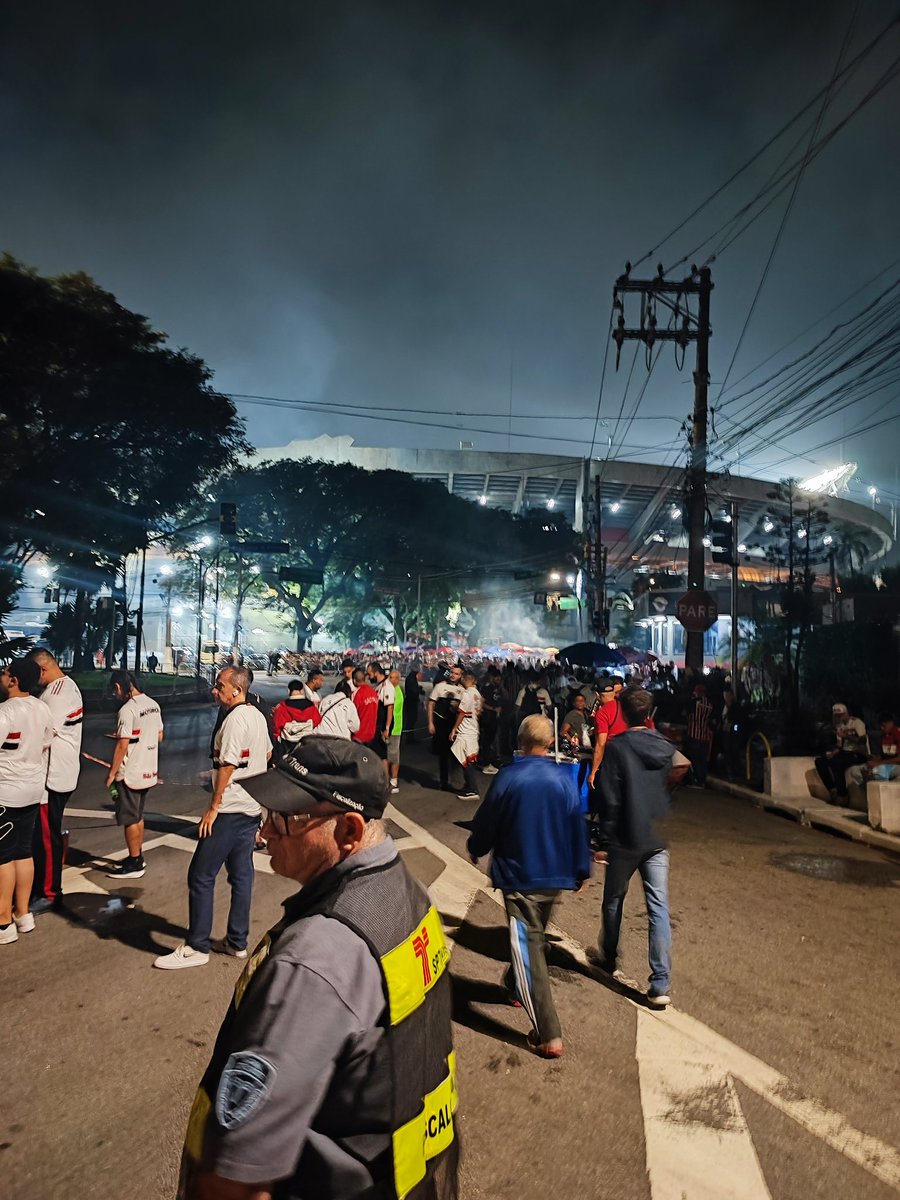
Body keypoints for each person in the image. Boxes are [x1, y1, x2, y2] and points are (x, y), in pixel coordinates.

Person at [177, 737, 458, 1200]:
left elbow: (239, 1180)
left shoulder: (315, 958)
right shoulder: (409, 895)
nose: (264, 833)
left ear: (349, 831)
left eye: (284, 820)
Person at [467, 715, 591, 1058]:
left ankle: (548, 1032)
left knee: (528, 945)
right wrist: (581, 868)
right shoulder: (563, 779)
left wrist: (477, 848)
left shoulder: (510, 777)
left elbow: (488, 821)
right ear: (550, 742)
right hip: (555, 875)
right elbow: (576, 825)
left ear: (520, 741)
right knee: (532, 938)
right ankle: (513, 984)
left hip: (520, 874)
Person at [155, 665, 272, 969]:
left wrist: (212, 807)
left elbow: (230, 764)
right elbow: (267, 755)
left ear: (237, 689)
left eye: (220, 685)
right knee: (242, 875)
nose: (215, 689)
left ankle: (197, 946)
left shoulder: (234, 719)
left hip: (230, 810)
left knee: (201, 876)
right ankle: (237, 941)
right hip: (250, 808)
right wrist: (219, 773)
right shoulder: (257, 716)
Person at [594, 687, 686, 1008]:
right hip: (657, 834)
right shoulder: (665, 745)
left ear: (622, 710)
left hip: (626, 836)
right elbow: (679, 769)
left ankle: (608, 956)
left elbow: (609, 798)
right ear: (649, 714)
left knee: (614, 899)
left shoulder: (618, 748)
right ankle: (660, 982)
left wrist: (604, 840)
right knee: (658, 906)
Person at [0, 658, 52, 945]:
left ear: (14, 680)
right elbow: (46, 742)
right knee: (23, 852)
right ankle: (23, 914)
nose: (2, 676)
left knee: (3, 856)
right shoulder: (42, 709)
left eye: (5, 672)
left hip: (5, 792)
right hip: (33, 790)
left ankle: (3, 922)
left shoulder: (5, 712)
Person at [27, 649, 83, 913]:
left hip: (53, 777)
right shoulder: (63, 687)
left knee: (47, 837)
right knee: (43, 835)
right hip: (57, 773)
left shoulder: (57, 696)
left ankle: (50, 892)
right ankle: (43, 886)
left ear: (42, 670)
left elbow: (41, 734)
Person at [105, 671, 164, 880]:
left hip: (129, 772)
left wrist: (112, 773)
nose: (116, 694)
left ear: (120, 687)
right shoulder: (153, 704)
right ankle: (137, 855)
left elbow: (122, 744)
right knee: (138, 816)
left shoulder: (127, 710)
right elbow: (159, 735)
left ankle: (135, 863)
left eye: (115, 690)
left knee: (130, 819)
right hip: (148, 770)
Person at [815, 702, 869, 804]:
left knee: (837, 763)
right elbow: (840, 746)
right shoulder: (839, 726)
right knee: (820, 761)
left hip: (858, 753)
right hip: (845, 752)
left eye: (841, 715)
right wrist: (832, 753)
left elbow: (862, 741)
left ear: (846, 713)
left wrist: (846, 736)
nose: (840, 718)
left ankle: (842, 794)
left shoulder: (856, 723)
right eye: (837, 716)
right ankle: (832, 789)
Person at [846, 711, 898, 811]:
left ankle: (883, 806)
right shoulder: (884, 736)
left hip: (895, 765)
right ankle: (869, 795)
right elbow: (884, 755)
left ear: (890, 723)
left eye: (884, 726)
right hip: (886, 763)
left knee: (879, 771)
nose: (882, 729)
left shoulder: (898, 734)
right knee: (855, 770)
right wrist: (874, 760)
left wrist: (879, 763)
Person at [428, 663, 463, 791]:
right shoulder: (440, 686)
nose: (454, 676)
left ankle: (456, 780)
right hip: (441, 724)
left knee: (455, 754)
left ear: (461, 675)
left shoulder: (463, 690)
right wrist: (430, 722)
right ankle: (444, 781)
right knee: (442, 754)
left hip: (455, 725)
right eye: (452, 673)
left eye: (457, 674)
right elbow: (431, 704)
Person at [450, 669, 482, 800]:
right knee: (466, 757)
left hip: (466, 730)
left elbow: (462, 712)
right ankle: (468, 785)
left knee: (466, 758)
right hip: (473, 727)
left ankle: (473, 789)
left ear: (465, 679)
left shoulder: (467, 694)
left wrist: (454, 728)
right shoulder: (477, 693)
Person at [272, 679, 321, 755]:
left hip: (288, 744)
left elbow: (276, 726)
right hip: (307, 742)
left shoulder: (282, 707)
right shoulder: (312, 706)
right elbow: (317, 722)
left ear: (288, 691)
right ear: (302, 691)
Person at [683, 683, 714, 788]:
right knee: (702, 759)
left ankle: (697, 780)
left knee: (695, 759)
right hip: (704, 735)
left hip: (694, 734)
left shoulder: (694, 703)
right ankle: (703, 780)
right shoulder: (709, 704)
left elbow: (686, 715)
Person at [367, 661, 395, 776]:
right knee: (377, 752)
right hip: (378, 723)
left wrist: (387, 728)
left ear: (376, 672)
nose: (369, 677)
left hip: (383, 724)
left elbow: (390, 707)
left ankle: (385, 780)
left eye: (370, 674)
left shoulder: (387, 686)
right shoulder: (379, 686)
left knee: (382, 754)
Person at [478, 665, 502, 774]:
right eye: (497, 678)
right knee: (487, 740)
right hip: (488, 717)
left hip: (494, 717)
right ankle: (485, 763)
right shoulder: (487, 687)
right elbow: (482, 703)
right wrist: (493, 708)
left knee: (491, 739)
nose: (499, 680)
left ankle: (489, 761)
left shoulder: (496, 687)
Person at [387, 667, 404, 793]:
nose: (390, 679)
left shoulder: (396, 692)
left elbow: (391, 710)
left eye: (393, 677)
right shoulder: (394, 690)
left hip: (394, 729)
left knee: (393, 756)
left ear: (397, 679)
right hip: (393, 728)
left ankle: (394, 781)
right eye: (390, 677)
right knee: (389, 756)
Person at [351, 668, 379, 745]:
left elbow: (352, 713)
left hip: (359, 735)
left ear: (354, 680)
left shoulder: (356, 694)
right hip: (372, 733)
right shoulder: (374, 692)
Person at [404, 664, 422, 736]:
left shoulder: (411, 677)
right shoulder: (411, 678)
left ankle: (410, 736)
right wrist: (419, 691)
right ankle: (409, 737)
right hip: (411, 700)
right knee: (411, 719)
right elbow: (413, 690)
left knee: (412, 719)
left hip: (411, 700)